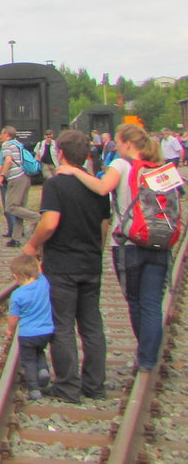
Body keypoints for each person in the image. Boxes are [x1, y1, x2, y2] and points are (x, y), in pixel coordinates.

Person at [56, 123, 176, 373]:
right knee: (152, 303)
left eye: (119, 143)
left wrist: (73, 171)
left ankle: (144, 355)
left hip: (129, 244)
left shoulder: (121, 165)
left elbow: (102, 188)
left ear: (128, 144)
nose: (117, 147)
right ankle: (148, 358)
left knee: (136, 301)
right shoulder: (162, 167)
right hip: (160, 243)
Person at [22, 129, 109, 403]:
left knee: (62, 325)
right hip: (90, 262)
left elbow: (50, 223)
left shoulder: (55, 185)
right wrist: (96, 250)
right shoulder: (97, 186)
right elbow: (104, 225)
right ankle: (95, 385)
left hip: (62, 264)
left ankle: (68, 386)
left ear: (60, 154)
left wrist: (32, 245)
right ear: (86, 156)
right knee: (92, 324)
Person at [6, 253, 55, 402]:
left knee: (29, 361)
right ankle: (43, 370)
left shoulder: (17, 295)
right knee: (39, 351)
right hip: (46, 332)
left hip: (27, 334)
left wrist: (10, 329)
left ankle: (34, 390)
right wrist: (36, 259)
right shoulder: (43, 283)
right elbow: (40, 270)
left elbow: (14, 317)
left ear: (16, 276)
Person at [0, 126, 37, 247]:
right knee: (19, 208)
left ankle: (39, 218)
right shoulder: (18, 144)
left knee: (11, 207)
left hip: (16, 177)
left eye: (2, 134)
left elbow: (8, 161)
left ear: (6, 134)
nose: (1, 136)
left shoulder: (6, 144)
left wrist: (2, 176)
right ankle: (16, 238)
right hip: (25, 176)